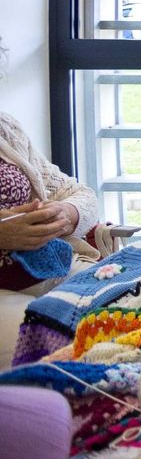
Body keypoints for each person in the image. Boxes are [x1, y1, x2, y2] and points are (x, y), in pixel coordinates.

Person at [0, 110, 105, 368]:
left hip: (51, 265)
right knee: (57, 346)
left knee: (131, 305)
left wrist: (67, 214)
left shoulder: (5, 126)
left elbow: (79, 193)